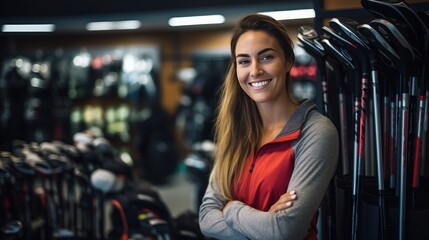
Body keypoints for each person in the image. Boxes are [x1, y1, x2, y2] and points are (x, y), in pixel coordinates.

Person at [198, 13, 339, 240]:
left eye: (266, 57)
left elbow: (284, 231)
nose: (254, 71)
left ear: (288, 61)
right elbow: (206, 218)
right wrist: (264, 221)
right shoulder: (236, 132)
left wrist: (231, 208)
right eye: (244, 61)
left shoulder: (316, 132)